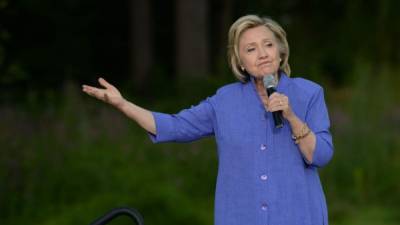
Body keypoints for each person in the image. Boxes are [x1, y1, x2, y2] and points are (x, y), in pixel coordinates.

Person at [82, 14, 333, 225]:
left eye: (268, 45)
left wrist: (291, 116)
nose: (262, 54)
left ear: (280, 52)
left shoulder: (309, 93)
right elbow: (174, 126)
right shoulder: (224, 101)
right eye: (250, 49)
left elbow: (320, 156)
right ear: (241, 63)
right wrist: (123, 104)